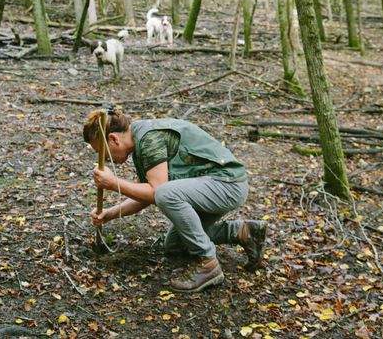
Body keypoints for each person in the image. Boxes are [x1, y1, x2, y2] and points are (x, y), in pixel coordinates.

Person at [83, 107, 266, 294]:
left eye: (101, 152)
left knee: (166, 194)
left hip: (227, 185)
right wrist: (110, 214)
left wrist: (113, 183)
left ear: (113, 139)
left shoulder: (149, 139)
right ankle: (243, 232)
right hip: (214, 186)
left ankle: (208, 263)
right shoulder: (140, 138)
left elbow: (158, 192)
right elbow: (146, 195)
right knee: (175, 244)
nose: (103, 160)